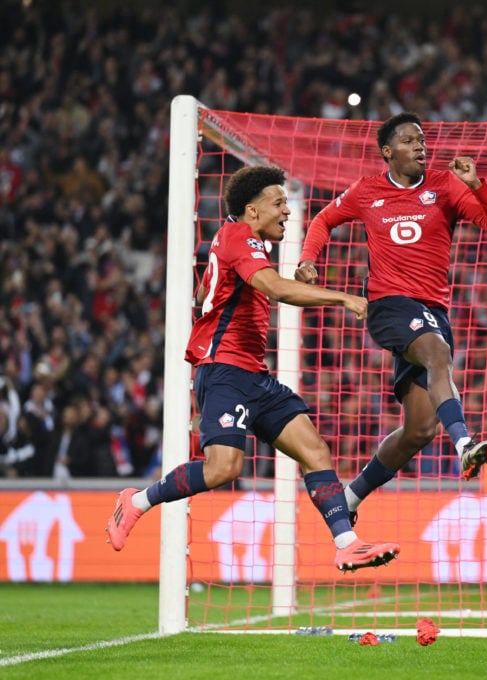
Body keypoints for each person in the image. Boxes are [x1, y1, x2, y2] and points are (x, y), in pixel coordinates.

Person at [105, 165, 399, 572]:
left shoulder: (237, 239)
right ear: (252, 210)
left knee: (313, 449)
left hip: (253, 375)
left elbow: (211, 290)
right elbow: (275, 289)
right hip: (224, 369)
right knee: (224, 467)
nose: (287, 212)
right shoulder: (239, 235)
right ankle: (135, 501)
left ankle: (346, 544)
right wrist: (342, 298)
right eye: (278, 203)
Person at [295, 112, 487, 522]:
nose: (420, 146)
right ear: (387, 151)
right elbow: (324, 218)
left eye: (422, 140)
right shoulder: (367, 190)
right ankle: (465, 443)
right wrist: (309, 259)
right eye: (410, 140)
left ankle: (351, 496)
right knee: (438, 354)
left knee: (418, 429)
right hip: (389, 304)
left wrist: (477, 186)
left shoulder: (445, 186)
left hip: (432, 310)